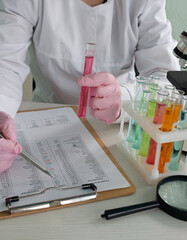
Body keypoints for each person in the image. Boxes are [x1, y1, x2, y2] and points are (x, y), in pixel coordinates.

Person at [0, 0, 180, 172]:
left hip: (120, 132)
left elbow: (166, 79)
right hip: (46, 124)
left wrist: (124, 99)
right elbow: (5, 64)